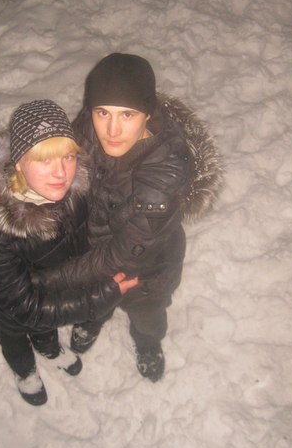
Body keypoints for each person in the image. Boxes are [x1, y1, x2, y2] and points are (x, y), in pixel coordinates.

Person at [37, 53, 222, 382]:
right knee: (96, 301)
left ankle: (148, 342)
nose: (112, 129)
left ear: (147, 113)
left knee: (147, 315)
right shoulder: (87, 128)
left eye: (127, 114)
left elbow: (121, 256)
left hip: (147, 270)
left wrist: (52, 278)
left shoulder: (166, 168)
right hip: (94, 248)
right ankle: (94, 319)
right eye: (103, 112)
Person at [0, 99, 137, 405]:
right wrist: (96, 299)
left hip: (52, 291)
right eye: (44, 160)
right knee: (15, 339)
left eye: (67, 156)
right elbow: (26, 307)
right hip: (11, 307)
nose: (61, 173)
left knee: (45, 329)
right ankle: (24, 370)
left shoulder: (75, 191)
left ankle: (49, 348)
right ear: (19, 163)